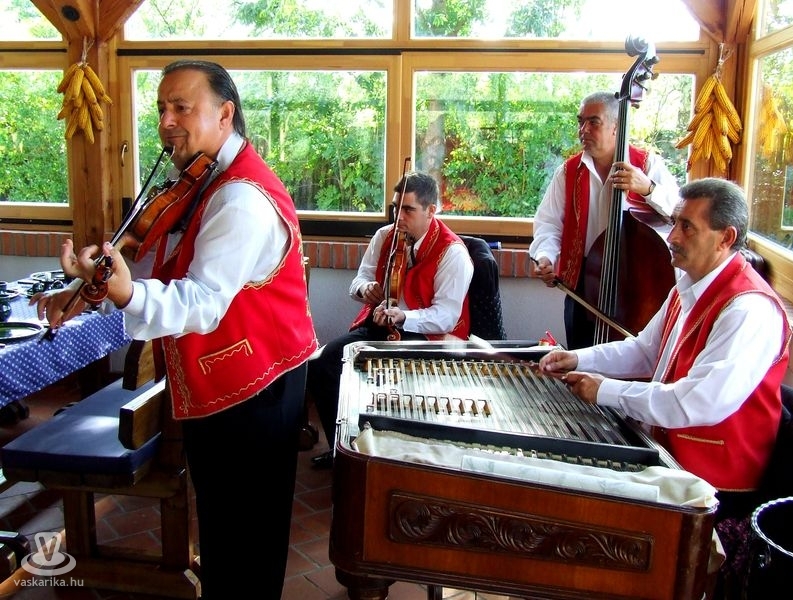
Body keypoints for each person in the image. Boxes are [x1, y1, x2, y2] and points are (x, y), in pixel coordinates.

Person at [31, 60, 318, 600]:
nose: (166, 121)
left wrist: (124, 293)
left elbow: (202, 301)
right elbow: (155, 262)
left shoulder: (239, 197)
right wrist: (87, 285)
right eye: (162, 108)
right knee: (230, 524)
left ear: (225, 114)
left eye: (182, 107)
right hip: (236, 377)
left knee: (245, 530)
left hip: (254, 387)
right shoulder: (206, 179)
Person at [537, 177, 791, 595]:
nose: (672, 237)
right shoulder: (688, 286)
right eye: (674, 223)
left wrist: (606, 391)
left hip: (711, 488)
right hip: (670, 458)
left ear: (726, 238)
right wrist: (579, 358)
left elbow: (699, 403)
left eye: (687, 227)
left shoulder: (748, 310)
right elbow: (644, 350)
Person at [306, 171, 474, 468]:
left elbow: (446, 317)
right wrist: (366, 289)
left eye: (408, 210)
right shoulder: (385, 236)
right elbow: (359, 280)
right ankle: (343, 453)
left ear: (431, 211)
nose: (399, 218)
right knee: (324, 363)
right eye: (396, 208)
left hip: (427, 337)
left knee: (392, 378)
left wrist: (404, 316)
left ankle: (392, 461)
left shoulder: (453, 253)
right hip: (381, 325)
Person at [529, 90, 681, 350]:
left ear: (616, 127)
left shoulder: (647, 165)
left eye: (594, 122)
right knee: (580, 359)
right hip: (585, 285)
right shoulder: (568, 172)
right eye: (581, 122)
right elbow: (549, 224)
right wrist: (546, 256)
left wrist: (648, 188)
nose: (584, 130)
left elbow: (679, 213)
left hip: (639, 285)